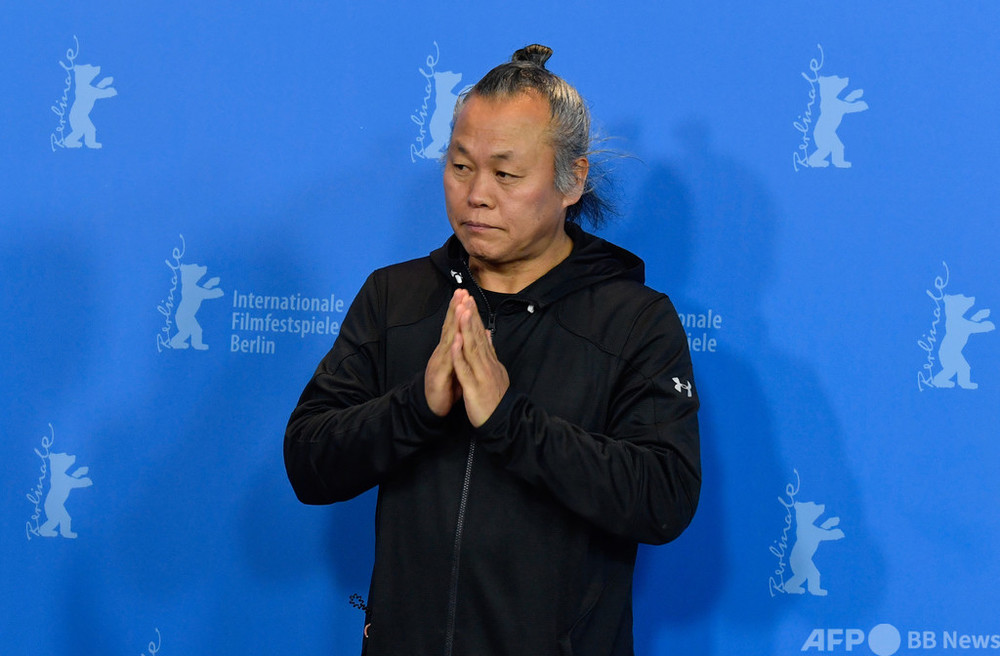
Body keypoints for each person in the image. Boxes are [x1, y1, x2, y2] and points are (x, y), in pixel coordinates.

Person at [284, 44, 700, 656]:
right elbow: (308, 462)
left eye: (506, 174)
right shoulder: (395, 297)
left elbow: (664, 498)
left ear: (572, 180)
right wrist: (417, 408)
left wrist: (511, 421)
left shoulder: (635, 321)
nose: (476, 194)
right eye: (460, 166)